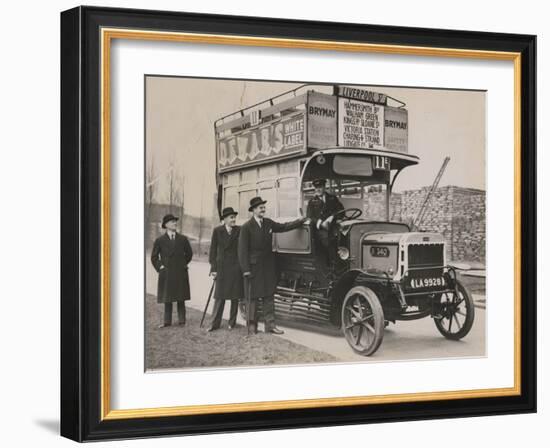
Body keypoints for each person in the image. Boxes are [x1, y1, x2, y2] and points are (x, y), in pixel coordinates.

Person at [238, 196, 310, 334]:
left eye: (264, 207)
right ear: (253, 210)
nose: (263, 209)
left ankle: (270, 325)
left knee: (268, 295)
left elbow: (284, 227)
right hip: (253, 268)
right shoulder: (246, 227)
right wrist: (245, 269)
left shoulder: (268, 223)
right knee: (252, 297)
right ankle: (252, 325)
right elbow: (242, 250)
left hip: (268, 266)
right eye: (260, 207)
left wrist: (299, 221)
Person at [150, 214, 193, 328]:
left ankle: (182, 321)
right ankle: (167, 322)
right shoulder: (160, 240)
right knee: (167, 298)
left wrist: (182, 264)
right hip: (167, 272)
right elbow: (154, 257)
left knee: (181, 297)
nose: (175, 223)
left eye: (175, 221)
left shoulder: (183, 239)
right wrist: (161, 267)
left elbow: (189, 254)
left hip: (180, 272)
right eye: (172, 222)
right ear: (166, 225)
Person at [207, 207, 243, 331]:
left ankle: (231, 323)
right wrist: (213, 269)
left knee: (234, 297)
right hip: (222, 268)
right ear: (225, 219)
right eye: (231, 217)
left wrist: (241, 266)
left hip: (235, 268)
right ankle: (214, 324)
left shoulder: (240, 230)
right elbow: (212, 251)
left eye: (234, 217)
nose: (234, 220)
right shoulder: (217, 231)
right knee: (219, 297)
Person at [306, 178, 344, 264]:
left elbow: (341, 211)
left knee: (342, 241)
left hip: (333, 228)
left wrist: (333, 217)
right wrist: (320, 223)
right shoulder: (312, 202)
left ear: (324, 187)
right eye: (316, 188)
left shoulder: (332, 199)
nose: (318, 189)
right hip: (319, 231)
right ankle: (331, 265)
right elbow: (309, 217)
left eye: (320, 187)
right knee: (327, 244)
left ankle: (339, 263)